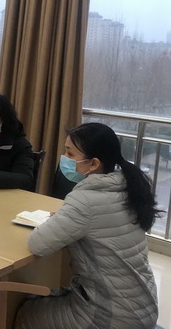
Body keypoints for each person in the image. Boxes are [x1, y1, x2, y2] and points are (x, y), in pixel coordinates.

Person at [14, 123, 160, 329]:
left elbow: (37, 244)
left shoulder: (85, 200)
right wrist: (68, 218)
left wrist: (63, 218)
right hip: (144, 305)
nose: (64, 159)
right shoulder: (126, 188)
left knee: (27, 312)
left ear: (93, 163)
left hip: (112, 316)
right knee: (51, 294)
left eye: (70, 154)